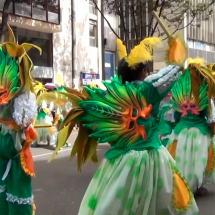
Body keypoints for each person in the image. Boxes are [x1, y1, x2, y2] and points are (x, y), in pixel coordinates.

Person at [53, 37, 199, 214]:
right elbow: (172, 72)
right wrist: (178, 51)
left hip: (122, 159)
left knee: (119, 202)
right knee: (160, 200)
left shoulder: (113, 97)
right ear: (144, 71)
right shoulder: (147, 90)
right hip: (152, 155)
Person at [0, 25, 39, 215]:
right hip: (5, 165)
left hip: (17, 166)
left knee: (17, 205)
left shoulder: (23, 106)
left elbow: (12, 146)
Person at [166, 58, 215, 195]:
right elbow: (211, 117)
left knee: (180, 159)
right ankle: (196, 187)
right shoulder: (204, 91)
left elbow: (175, 114)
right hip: (200, 133)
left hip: (181, 131)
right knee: (197, 161)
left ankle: (181, 185)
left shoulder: (180, 90)